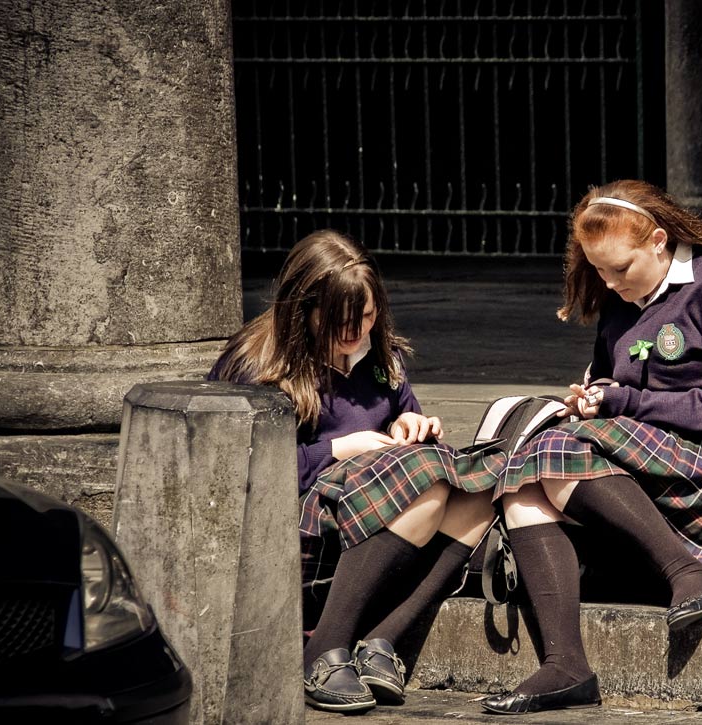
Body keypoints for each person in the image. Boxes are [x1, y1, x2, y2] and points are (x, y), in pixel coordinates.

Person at [480, 180, 702, 715]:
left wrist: (627, 402)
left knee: (548, 452)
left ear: (660, 241)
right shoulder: (618, 302)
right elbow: (611, 386)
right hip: (642, 461)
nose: (608, 282)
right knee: (527, 471)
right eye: (598, 269)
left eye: (620, 268)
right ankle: (565, 664)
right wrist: (592, 401)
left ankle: (687, 573)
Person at [208, 229, 497, 714]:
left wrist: (411, 423)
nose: (356, 333)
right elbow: (234, 470)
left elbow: (402, 430)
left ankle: (382, 640)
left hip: (372, 511)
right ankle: (322, 650)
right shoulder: (256, 364)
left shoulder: (381, 357)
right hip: (294, 523)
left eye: (366, 317)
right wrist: (338, 447)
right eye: (341, 321)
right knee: (424, 481)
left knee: (483, 483)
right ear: (303, 309)